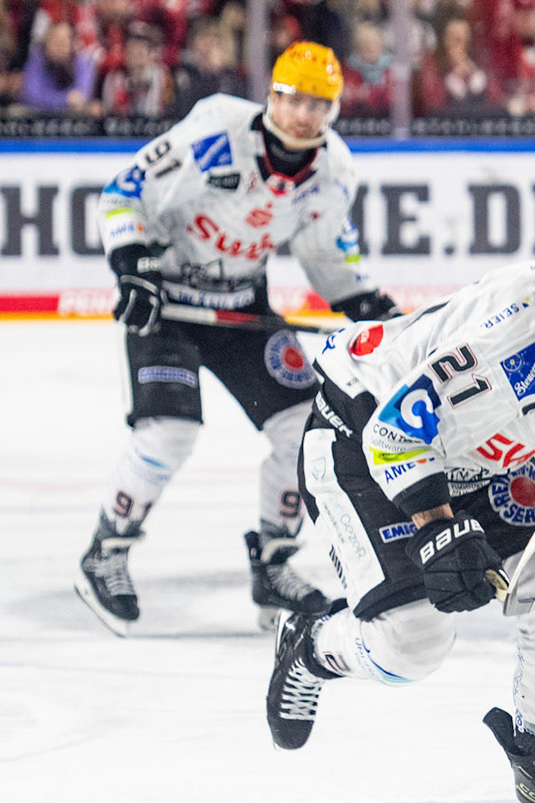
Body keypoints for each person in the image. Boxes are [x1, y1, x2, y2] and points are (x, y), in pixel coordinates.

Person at [267, 204, 535, 803]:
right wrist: (440, 529)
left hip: (481, 457)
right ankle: (312, 645)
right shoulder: (513, 331)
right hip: (361, 435)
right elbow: (395, 432)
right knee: (411, 646)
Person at [75, 43, 399, 636]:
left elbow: (327, 257)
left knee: (304, 429)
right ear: (272, 95)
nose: (304, 114)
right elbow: (124, 192)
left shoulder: (333, 171)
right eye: (294, 99)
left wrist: (370, 309)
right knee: (169, 433)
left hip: (240, 307)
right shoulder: (216, 130)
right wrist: (132, 267)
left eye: (318, 104)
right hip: (167, 304)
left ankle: (273, 566)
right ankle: (106, 551)